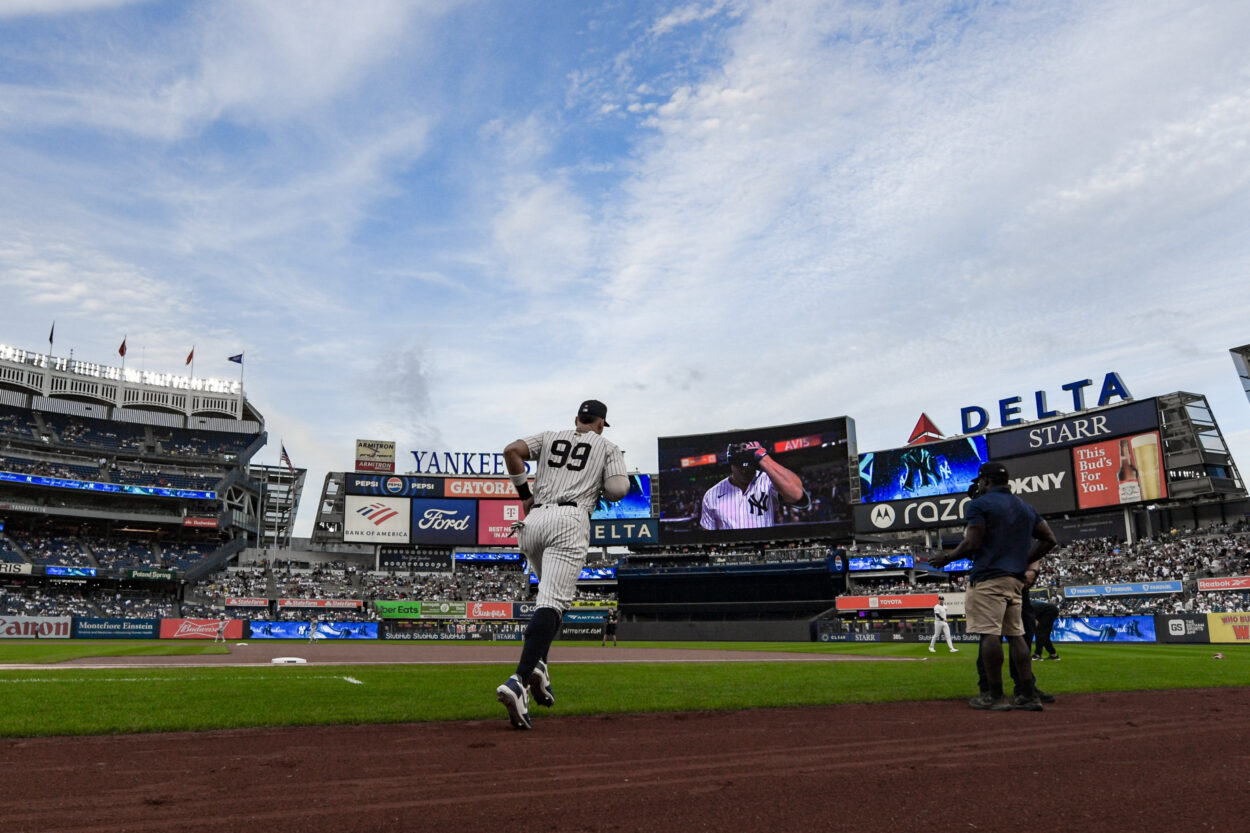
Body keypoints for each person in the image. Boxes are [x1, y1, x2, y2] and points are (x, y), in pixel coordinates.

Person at [495, 399, 629, 730]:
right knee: (553, 603)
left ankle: (539, 665)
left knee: (549, 602)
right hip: (569, 519)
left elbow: (511, 450)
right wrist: (602, 478)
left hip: (533, 520)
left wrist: (524, 494)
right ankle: (520, 681)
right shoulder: (607, 446)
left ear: (577, 420)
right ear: (600, 424)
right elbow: (617, 489)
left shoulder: (551, 436)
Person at [930, 461, 1057, 711]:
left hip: (989, 577)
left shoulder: (980, 504)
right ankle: (1028, 695)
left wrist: (946, 557)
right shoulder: (1025, 506)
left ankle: (994, 695)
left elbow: (973, 541)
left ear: (985, 481)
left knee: (990, 635)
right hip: (1016, 580)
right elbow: (1049, 539)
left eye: (981, 482)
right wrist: (1023, 561)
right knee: (1016, 635)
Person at [700, 441, 808, 530]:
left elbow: (796, 495)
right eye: (739, 465)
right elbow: (707, 537)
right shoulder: (712, 494)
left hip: (764, 550)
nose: (744, 470)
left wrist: (764, 457)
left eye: (748, 464)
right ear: (731, 464)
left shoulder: (769, 481)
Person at [1033, 595, 1060, 660]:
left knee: (1040, 633)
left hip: (1049, 611)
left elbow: (1033, 620)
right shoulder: (1028, 604)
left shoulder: (1025, 607)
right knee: (1044, 636)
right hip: (1049, 610)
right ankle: (1053, 655)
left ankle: (1037, 655)